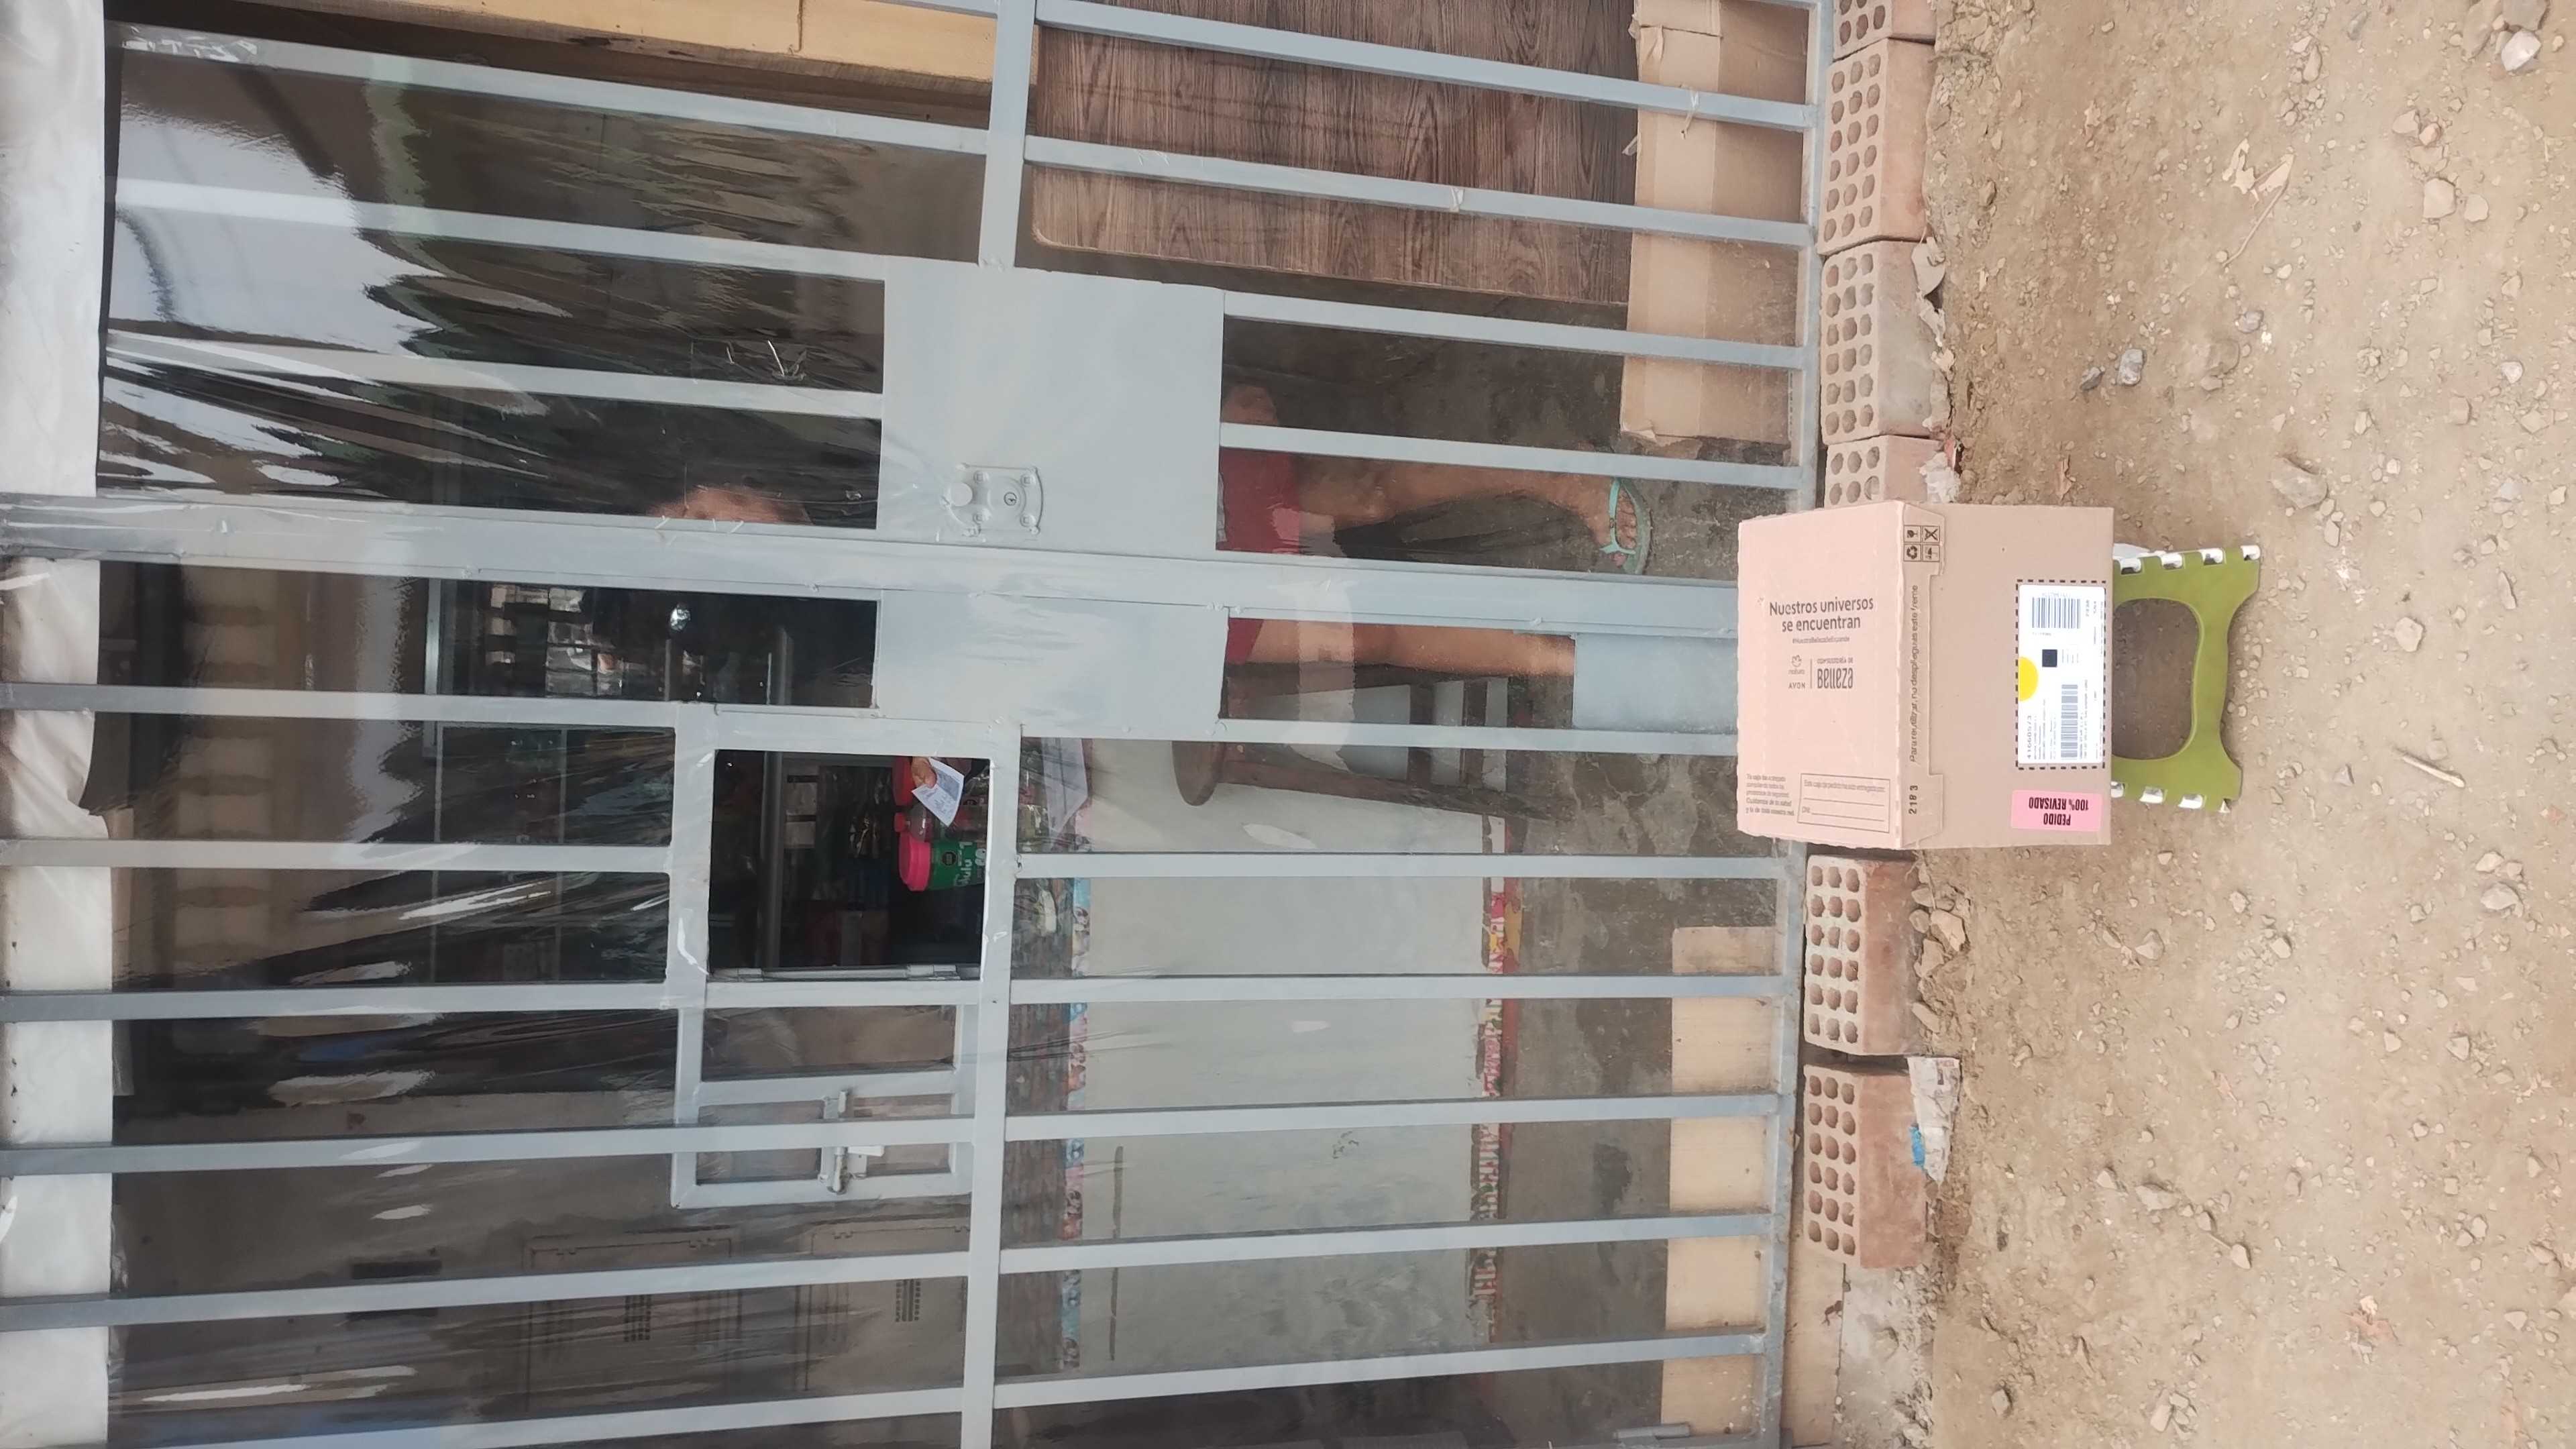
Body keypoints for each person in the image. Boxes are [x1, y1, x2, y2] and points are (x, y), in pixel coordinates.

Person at [1218, 383, 1645, 681]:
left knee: (1367, 494)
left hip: (1188, 503)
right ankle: (1582, 665)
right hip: (1178, 612)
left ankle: (1562, 477)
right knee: (1364, 638)